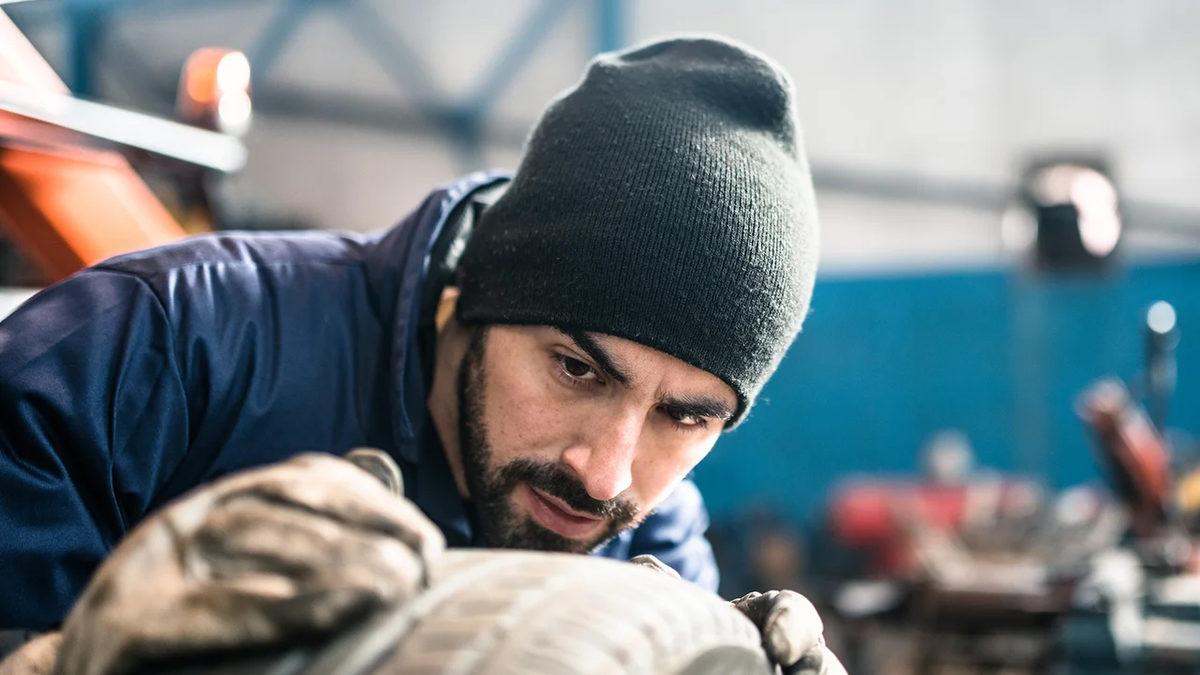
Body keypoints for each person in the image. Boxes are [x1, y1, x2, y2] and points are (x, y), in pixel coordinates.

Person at [0, 35, 836, 672]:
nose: (606, 475)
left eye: (684, 416)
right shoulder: (159, 346)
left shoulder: (658, 542)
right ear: (480, 291)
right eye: (577, 369)